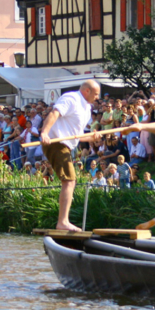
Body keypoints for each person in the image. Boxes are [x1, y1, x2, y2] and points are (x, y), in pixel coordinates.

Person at [40, 80, 101, 231]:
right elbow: (54, 113)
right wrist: (45, 133)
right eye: (96, 94)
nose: (97, 98)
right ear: (87, 91)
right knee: (69, 180)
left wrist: (91, 138)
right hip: (56, 142)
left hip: (66, 144)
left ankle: (63, 221)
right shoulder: (71, 98)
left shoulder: (87, 108)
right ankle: (63, 222)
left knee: (70, 181)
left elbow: (77, 135)